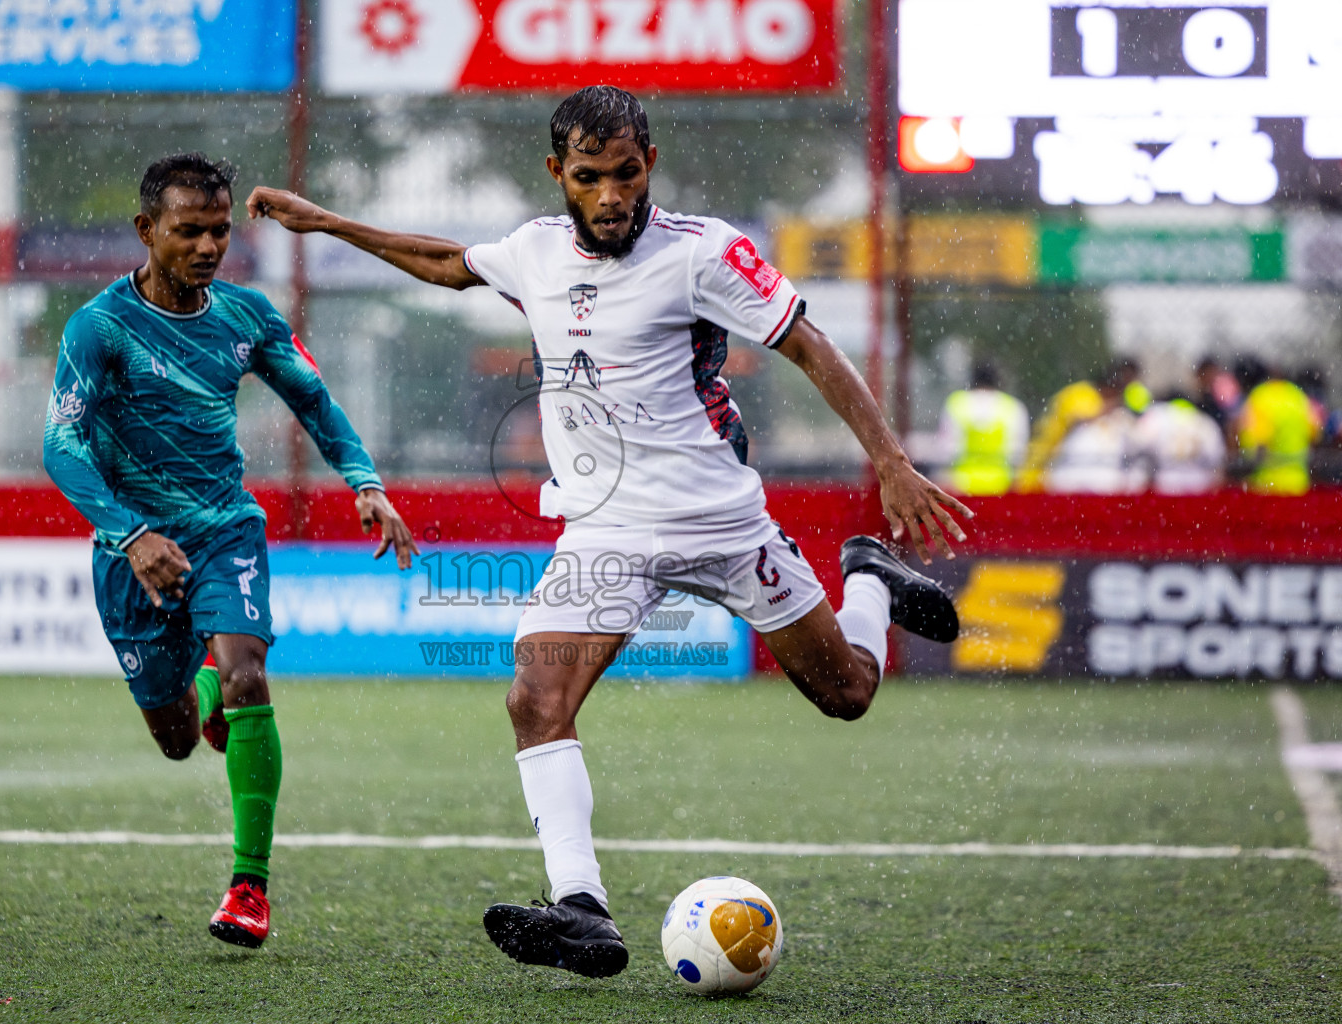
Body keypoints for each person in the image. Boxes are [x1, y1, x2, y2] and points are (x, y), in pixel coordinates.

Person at [246, 86, 972, 977]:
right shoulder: (534, 252)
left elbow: (812, 346)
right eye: (590, 177)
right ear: (560, 174)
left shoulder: (707, 252)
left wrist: (890, 462)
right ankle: (582, 907)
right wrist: (325, 222)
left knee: (849, 693)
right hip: (605, 530)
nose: (612, 195)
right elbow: (442, 260)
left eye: (627, 173)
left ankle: (868, 578)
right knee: (533, 698)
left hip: (720, 520)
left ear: (649, 164)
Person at [42, 153, 416, 949]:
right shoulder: (99, 329)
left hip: (222, 530)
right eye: (189, 231)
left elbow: (314, 398)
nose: (209, 246)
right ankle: (202, 693)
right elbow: (62, 446)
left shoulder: (246, 317)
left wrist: (365, 481)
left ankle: (249, 886)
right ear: (148, 230)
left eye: (218, 230)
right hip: (128, 551)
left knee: (250, 670)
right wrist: (132, 534)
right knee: (178, 738)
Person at [1017, 356, 1146, 492]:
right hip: (1056, 472)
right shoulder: (1081, 395)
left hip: (1095, 482)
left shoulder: (1116, 410)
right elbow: (1075, 418)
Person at [935, 361, 1029, 495]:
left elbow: (946, 452)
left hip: (962, 486)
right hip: (1001, 487)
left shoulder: (956, 404)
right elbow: (1017, 454)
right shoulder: (1012, 407)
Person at [1231, 356, 1321, 495]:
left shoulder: (1260, 397)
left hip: (1268, 484)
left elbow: (1256, 443)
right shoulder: (1298, 396)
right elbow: (1315, 434)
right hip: (1298, 482)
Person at [1126, 393, 1226, 494]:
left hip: (1167, 483)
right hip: (1198, 484)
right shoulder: (1206, 423)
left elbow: (1137, 447)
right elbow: (1216, 458)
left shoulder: (1157, 418)